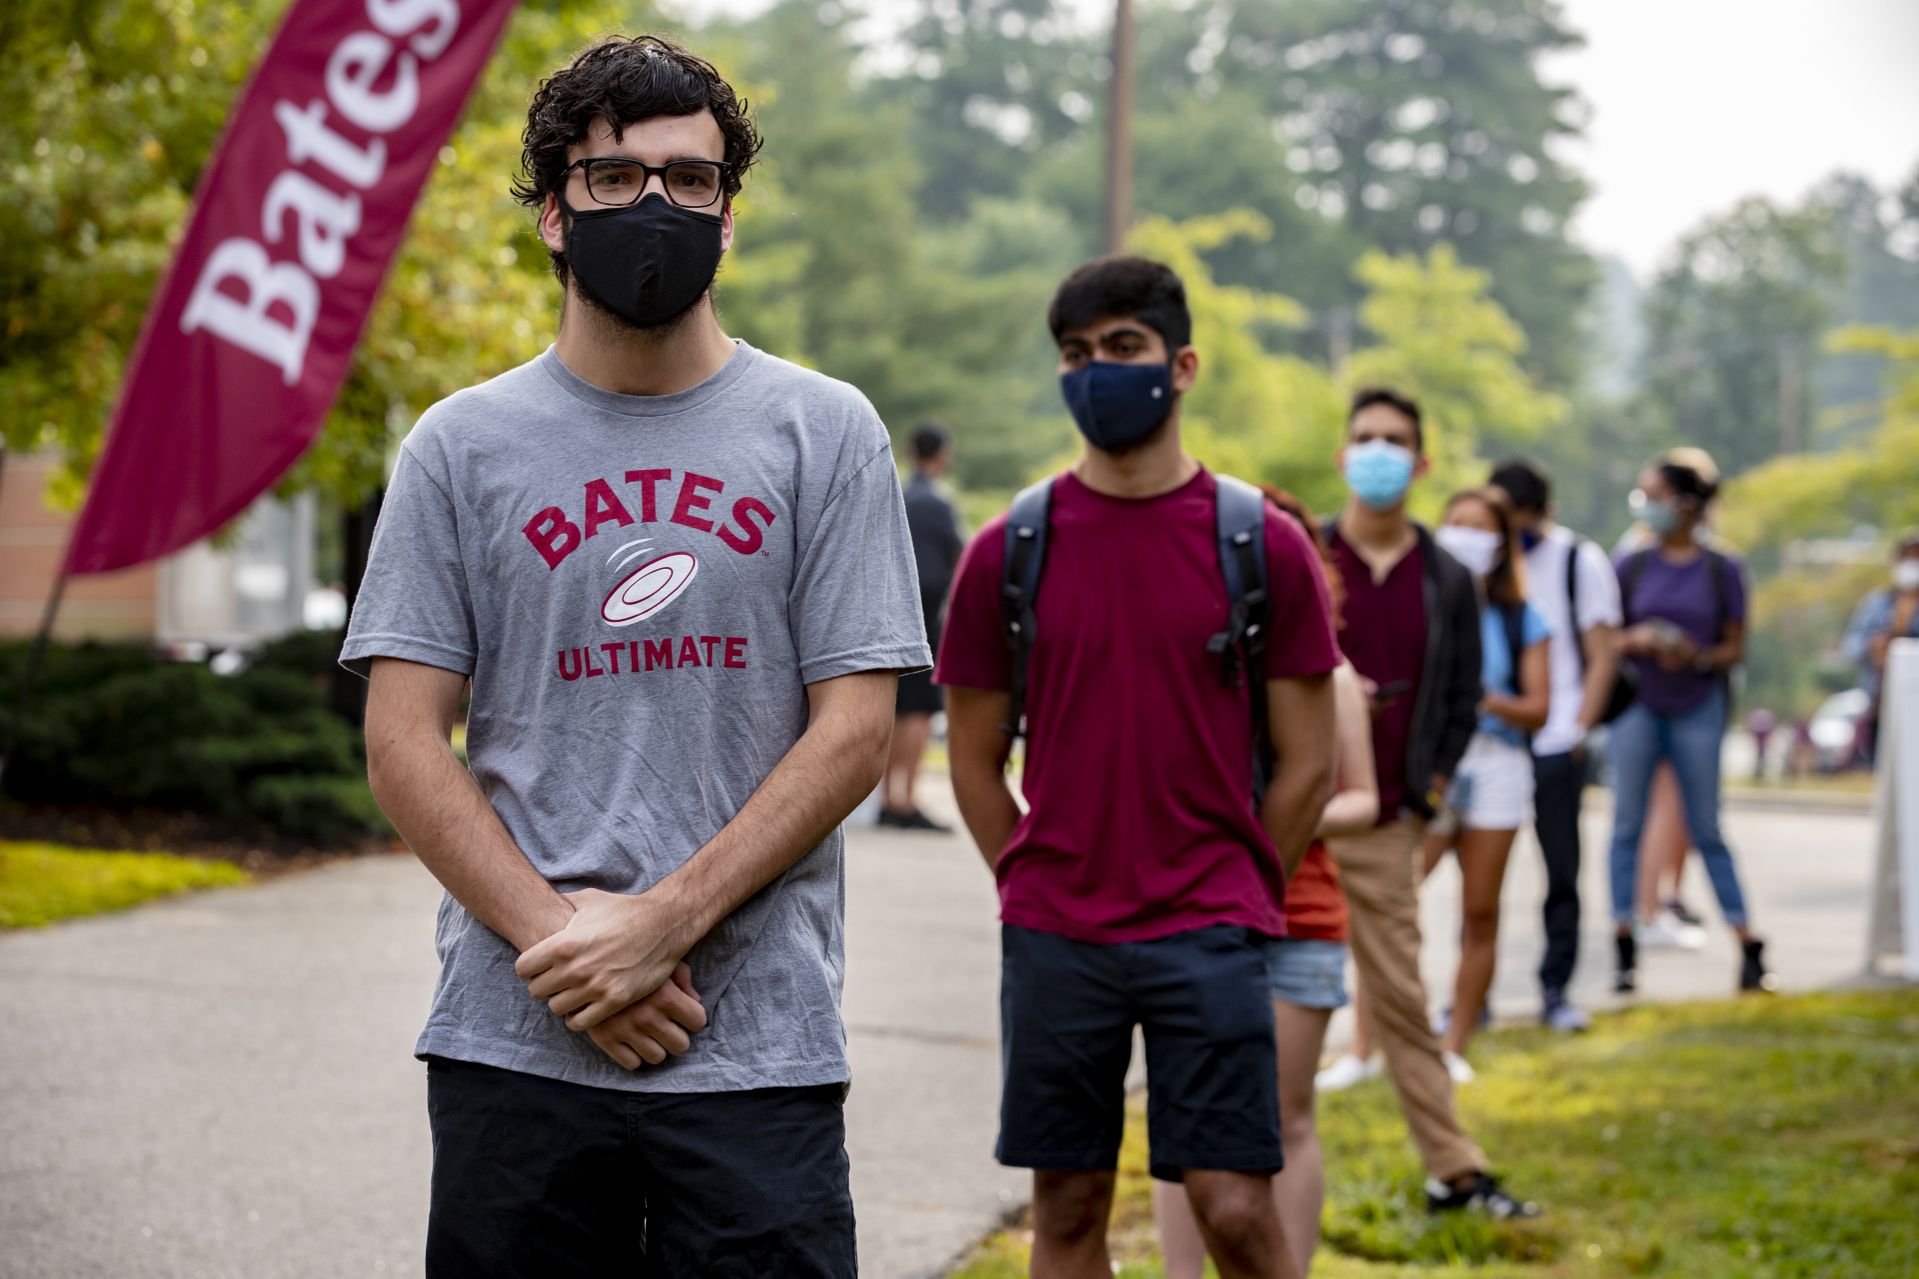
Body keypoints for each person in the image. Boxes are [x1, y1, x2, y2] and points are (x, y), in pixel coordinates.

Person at [340, 37, 931, 1277]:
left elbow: (853, 732)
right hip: (517, 1044)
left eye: (689, 179)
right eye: (614, 178)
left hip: (754, 1042)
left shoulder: (824, 434)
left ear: (727, 216)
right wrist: (572, 950)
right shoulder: (460, 448)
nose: (654, 205)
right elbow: (401, 737)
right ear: (553, 213)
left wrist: (661, 922)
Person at [937, 256, 1341, 1279]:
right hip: (1057, 931)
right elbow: (974, 754)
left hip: (1208, 927)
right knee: (1065, 1208)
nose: (1097, 371)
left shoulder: (1260, 542)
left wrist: (1246, 886)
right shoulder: (1008, 548)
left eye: (1123, 348)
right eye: (1076, 354)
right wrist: (1025, 878)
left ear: (1183, 364)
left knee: (1235, 1209)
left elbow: (1307, 761)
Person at [1313, 388, 1538, 1218]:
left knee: (1401, 997)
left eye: (1394, 440)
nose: (1377, 452)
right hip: (1287, 817)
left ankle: (1455, 1169)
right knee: (1240, 996)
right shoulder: (1305, 554)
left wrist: (1428, 789)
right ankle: (1215, 1175)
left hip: (1384, 819)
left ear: (1420, 462)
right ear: (1343, 456)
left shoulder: (1445, 575)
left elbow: (1460, 693)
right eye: (1364, 438)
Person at [1154, 489, 1380, 1279]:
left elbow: (1360, 797)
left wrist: (1274, 816)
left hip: (1299, 919)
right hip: (1189, 917)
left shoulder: (1336, 676)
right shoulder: (1192, 655)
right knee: (1182, 1121)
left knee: (1282, 1118)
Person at [1608, 450, 1774, 995]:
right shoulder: (1629, 563)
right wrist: (1638, 640)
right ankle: (1624, 941)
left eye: (1655, 495)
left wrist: (1695, 657)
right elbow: (1604, 635)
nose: (1646, 506)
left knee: (1707, 828)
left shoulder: (1722, 568)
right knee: (1627, 825)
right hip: (1637, 704)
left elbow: (1735, 648)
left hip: (1697, 705)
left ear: (1686, 505)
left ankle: (1749, 945)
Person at [1416, 489, 1551, 1080]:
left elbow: (1539, 707)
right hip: (1437, 765)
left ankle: (1454, 1047)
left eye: (1481, 527)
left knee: (1480, 910)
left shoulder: (1523, 616)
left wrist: (1482, 699)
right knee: (1394, 904)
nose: (1468, 536)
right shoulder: (1422, 600)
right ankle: (1371, 1046)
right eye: (1457, 524)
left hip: (1496, 762)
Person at [1486, 457, 1622, 1034]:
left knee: (1561, 871)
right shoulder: (1484, 561)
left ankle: (1555, 988)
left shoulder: (1576, 560)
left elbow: (1603, 650)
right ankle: (1477, 995)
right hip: (1495, 741)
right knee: (1481, 881)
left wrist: (1581, 727)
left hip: (1557, 736)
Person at [883, 422, 967, 830]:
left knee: (893, 706)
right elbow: (959, 558)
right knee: (918, 711)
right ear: (942, 454)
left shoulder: (895, 493)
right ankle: (906, 799)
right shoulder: (937, 501)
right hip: (924, 617)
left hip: (886, 611)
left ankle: (887, 798)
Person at [1842, 529, 1919, 763]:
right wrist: (1872, 647)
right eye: (1907, 558)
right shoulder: (1877, 602)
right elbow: (1850, 646)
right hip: (1880, 703)